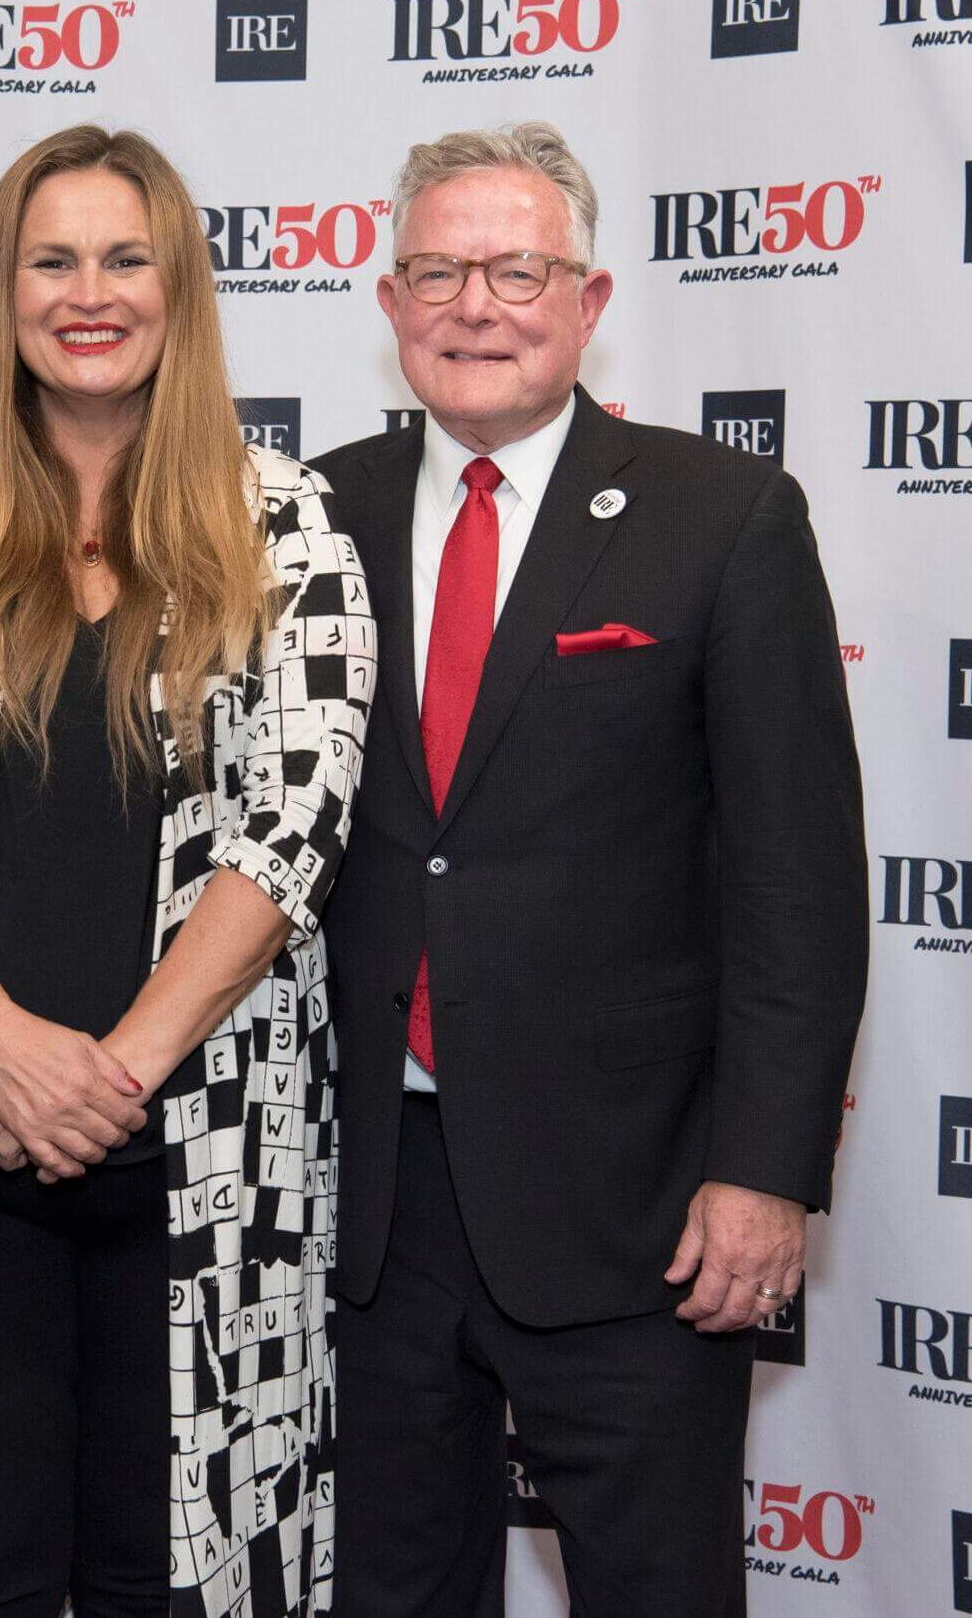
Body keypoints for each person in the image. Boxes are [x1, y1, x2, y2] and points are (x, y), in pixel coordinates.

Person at [0, 125, 370, 1618]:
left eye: (125, 257)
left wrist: (105, 1077)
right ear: (2, 290)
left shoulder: (283, 517)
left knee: (178, 1566)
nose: (87, 291)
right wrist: (2, 1053)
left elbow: (289, 822)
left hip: (216, 1136)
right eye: (52, 259)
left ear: (179, 288)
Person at [312, 122, 866, 1615]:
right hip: (366, 1206)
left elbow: (794, 886)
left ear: (588, 296)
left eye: (515, 268)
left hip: (633, 1208)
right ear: (387, 302)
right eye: (436, 268)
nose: (473, 303)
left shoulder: (719, 516)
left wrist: (761, 1170)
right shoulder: (300, 519)